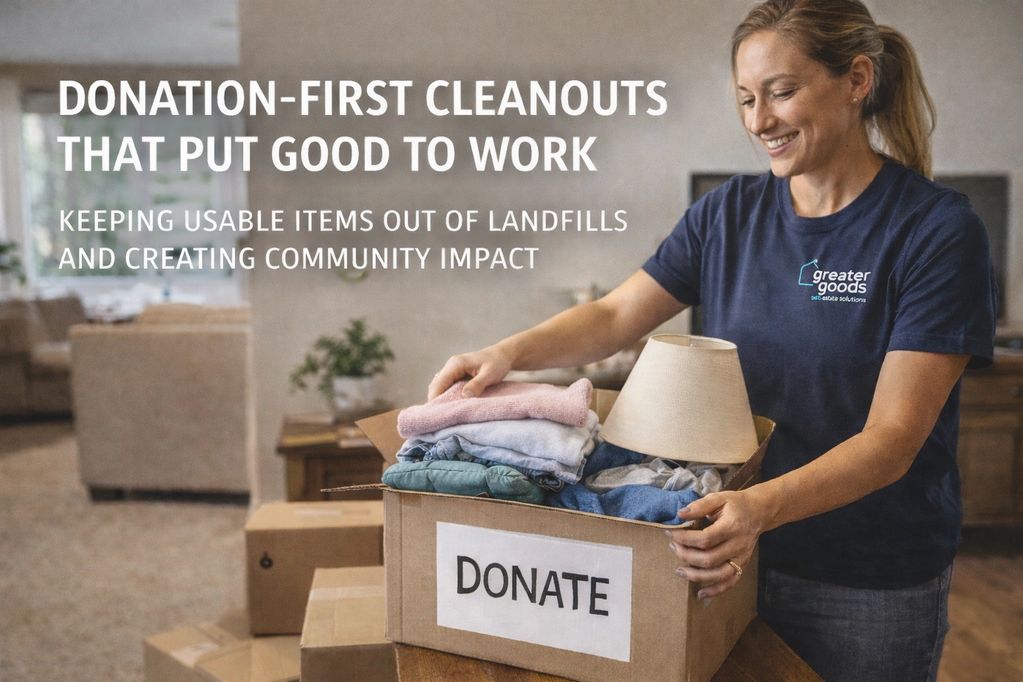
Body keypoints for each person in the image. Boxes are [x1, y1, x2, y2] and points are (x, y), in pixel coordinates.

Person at [427, 1, 996, 679]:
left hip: (861, 578)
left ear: (856, 80)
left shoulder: (934, 232)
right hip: (724, 555)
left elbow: (892, 438)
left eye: (781, 93)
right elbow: (614, 316)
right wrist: (507, 353)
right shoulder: (729, 213)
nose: (759, 122)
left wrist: (759, 508)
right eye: (746, 99)